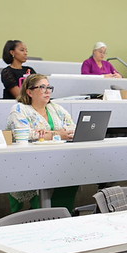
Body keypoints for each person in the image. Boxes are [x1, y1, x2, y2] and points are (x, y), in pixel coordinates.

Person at [6, 74, 78, 212]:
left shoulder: (56, 108)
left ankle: (63, 214)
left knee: (71, 174)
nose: (47, 91)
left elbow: (72, 128)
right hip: (29, 161)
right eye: (42, 87)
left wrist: (47, 134)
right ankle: (44, 214)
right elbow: (25, 133)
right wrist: (57, 134)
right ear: (29, 92)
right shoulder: (19, 109)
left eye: (49, 87)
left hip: (58, 158)